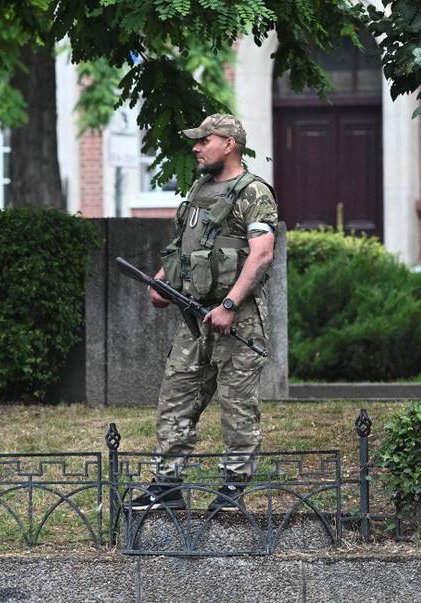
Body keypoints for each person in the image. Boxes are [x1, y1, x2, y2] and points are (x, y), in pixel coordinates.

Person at [129, 114, 278, 512]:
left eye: (204, 140)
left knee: (236, 404)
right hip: (195, 320)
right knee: (176, 396)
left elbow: (262, 253)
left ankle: (233, 488)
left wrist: (229, 305)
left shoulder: (254, 192)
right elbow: (185, 246)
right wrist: (162, 282)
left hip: (239, 319)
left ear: (229, 144)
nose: (196, 148)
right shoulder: (198, 189)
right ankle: (167, 486)